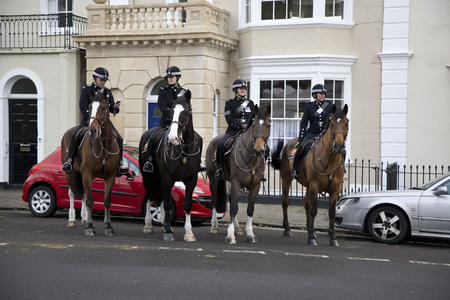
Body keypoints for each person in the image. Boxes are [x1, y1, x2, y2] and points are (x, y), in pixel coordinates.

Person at [62, 67, 128, 176]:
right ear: (95, 79)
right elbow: (83, 107)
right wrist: (92, 117)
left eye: (104, 81)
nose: (103, 82)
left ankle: (119, 165)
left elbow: (111, 109)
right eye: (101, 80)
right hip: (89, 120)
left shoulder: (107, 92)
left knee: (119, 138)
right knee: (75, 135)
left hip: (104, 122)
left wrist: (115, 107)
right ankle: (69, 161)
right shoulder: (86, 90)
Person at [142, 66, 187, 173]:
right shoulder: (163, 90)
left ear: (177, 77)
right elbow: (162, 106)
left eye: (172, 77)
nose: (170, 79)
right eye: (168, 77)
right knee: (152, 138)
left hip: (180, 124)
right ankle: (149, 161)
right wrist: (173, 114)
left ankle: (195, 163)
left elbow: (186, 108)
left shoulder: (184, 92)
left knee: (194, 139)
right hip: (166, 122)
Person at [215, 79, 255, 179]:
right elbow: (229, 119)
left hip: (248, 132)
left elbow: (254, 118)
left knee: (263, 148)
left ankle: (258, 171)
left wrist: (249, 125)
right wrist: (241, 125)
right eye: (241, 88)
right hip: (233, 131)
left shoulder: (250, 103)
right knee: (221, 144)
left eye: (244, 88)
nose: (243, 90)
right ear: (235, 90)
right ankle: (220, 169)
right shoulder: (230, 103)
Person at [291, 83, 332, 179]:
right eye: (320, 94)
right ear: (314, 95)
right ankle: (295, 169)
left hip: (325, 133)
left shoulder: (329, 106)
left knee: (338, 148)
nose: (322, 95)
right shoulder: (309, 106)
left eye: (323, 94)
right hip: (312, 133)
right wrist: (301, 137)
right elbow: (304, 122)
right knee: (301, 148)